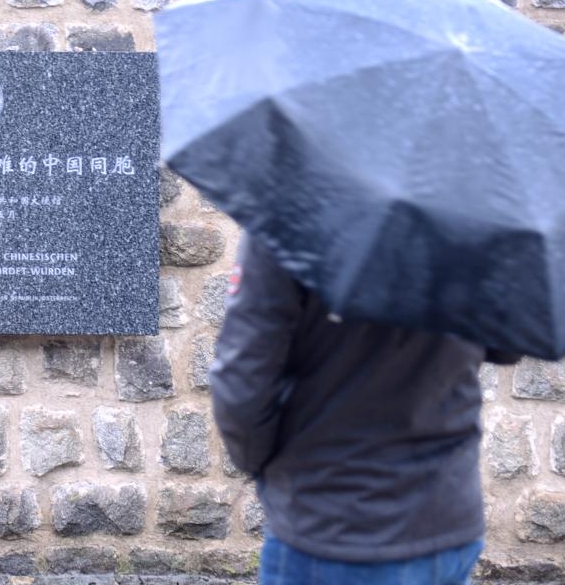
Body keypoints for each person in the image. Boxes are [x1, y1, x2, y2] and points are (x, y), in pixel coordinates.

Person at [211, 233, 520, 585]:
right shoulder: (471, 217)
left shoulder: (287, 214)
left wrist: (262, 465)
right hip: (443, 514)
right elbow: (508, 343)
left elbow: (242, 383)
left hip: (328, 517)